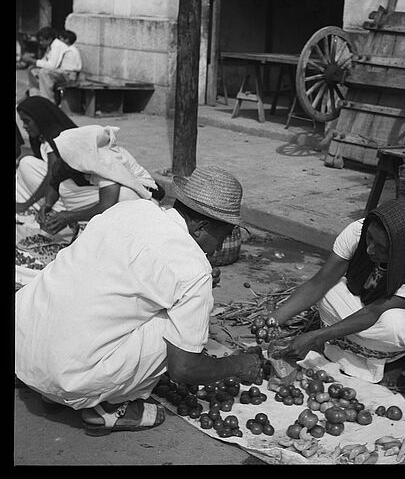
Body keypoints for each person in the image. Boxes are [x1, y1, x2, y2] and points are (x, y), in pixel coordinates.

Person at [15, 165, 262, 436]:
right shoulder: (194, 270)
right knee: (174, 330)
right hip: (66, 375)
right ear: (201, 227)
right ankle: (109, 410)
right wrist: (237, 365)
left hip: (24, 346)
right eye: (224, 235)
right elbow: (184, 369)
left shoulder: (131, 208)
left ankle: (49, 388)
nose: (221, 245)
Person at [258, 199, 405, 385]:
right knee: (328, 293)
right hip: (367, 302)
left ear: (402, 250)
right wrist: (273, 319)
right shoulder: (358, 232)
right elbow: (320, 282)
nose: (370, 249)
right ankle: (357, 346)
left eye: (381, 247)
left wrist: (315, 337)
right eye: (369, 239)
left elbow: (374, 312)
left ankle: (400, 358)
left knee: (394, 325)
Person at [39, 124, 164, 235]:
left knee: (124, 195)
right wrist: (48, 204)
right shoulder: (68, 159)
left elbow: (107, 204)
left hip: (145, 200)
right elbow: (54, 182)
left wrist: (69, 217)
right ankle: (86, 223)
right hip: (108, 196)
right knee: (65, 187)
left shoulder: (105, 159)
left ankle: (115, 231)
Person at [16, 95, 97, 215]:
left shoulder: (56, 136)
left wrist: (26, 204)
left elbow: (52, 176)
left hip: (77, 189)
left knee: (26, 163)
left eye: (27, 121)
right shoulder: (43, 136)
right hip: (62, 186)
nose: (24, 126)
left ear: (40, 118)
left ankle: (53, 207)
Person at [20, 26, 81, 103]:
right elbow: (44, 61)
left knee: (44, 73)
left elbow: (52, 66)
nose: (40, 43)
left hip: (68, 75)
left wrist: (33, 61)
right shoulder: (50, 47)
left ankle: (48, 102)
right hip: (59, 72)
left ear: (49, 39)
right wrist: (33, 63)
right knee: (32, 70)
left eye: (42, 41)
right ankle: (35, 97)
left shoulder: (58, 45)